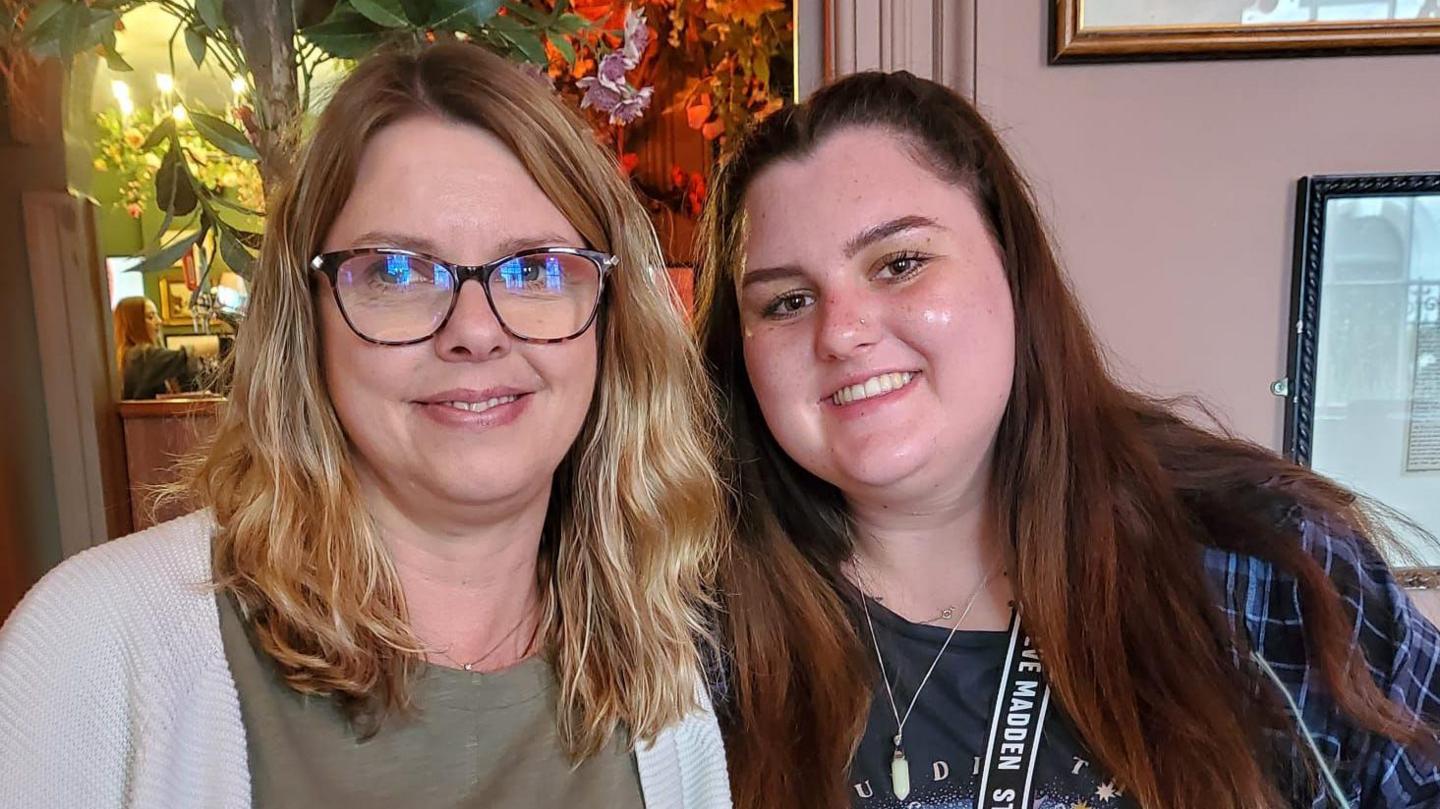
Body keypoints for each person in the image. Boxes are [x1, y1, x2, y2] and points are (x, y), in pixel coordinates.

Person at [1, 42, 729, 809]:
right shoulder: (94, 650)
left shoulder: (659, 664)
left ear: (609, 322)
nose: (475, 331)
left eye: (536, 268)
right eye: (396, 273)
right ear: (304, 321)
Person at [695, 70, 1440, 808]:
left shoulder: (1266, 562)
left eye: (900, 263)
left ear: (1013, 271)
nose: (842, 331)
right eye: (787, 300)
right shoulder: (693, 631)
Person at [113, 295, 200, 398]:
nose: (159, 321)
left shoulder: (127, 356)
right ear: (134, 323)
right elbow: (184, 357)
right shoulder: (140, 355)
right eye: (150, 317)